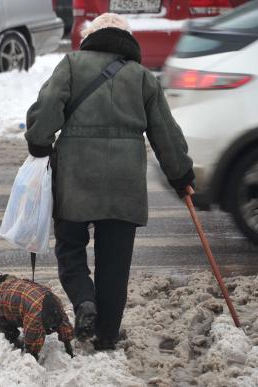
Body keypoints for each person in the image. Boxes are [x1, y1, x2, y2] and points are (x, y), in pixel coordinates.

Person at [25, 13, 194, 350]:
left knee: (70, 250)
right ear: (127, 40)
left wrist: (39, 141)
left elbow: (46, 112)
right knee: (114, 266)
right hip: (124, 186)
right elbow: (166, 133)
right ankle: (106, 338)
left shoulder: (71, 65)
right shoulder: (143, 77)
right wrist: (181, 175)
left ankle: (84, 301)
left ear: (91, 37)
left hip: (75, 179)